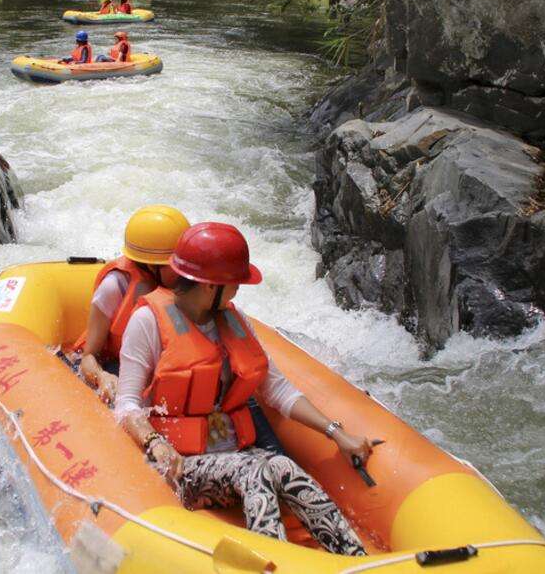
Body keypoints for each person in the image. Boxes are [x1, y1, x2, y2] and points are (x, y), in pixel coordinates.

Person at [115, 222, 371, 555]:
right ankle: (274, 561)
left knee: (284, 467)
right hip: (183, 464)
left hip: (238, 456)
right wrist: (154, 444)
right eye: (235, 283)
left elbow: (277, 390)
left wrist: (336, 433)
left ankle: (353, 557)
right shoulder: (147, 323)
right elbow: (127, 405)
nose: (238, 290)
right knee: (255, 469)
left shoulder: (235, 321)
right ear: (210, 287)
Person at [72, 205, 189, 400]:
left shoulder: (185, 284)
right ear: (152, 266)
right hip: (116, 363)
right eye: (175, 264)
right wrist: (102, 377)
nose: (183, 271)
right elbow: (88, 356)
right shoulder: (114, 286)